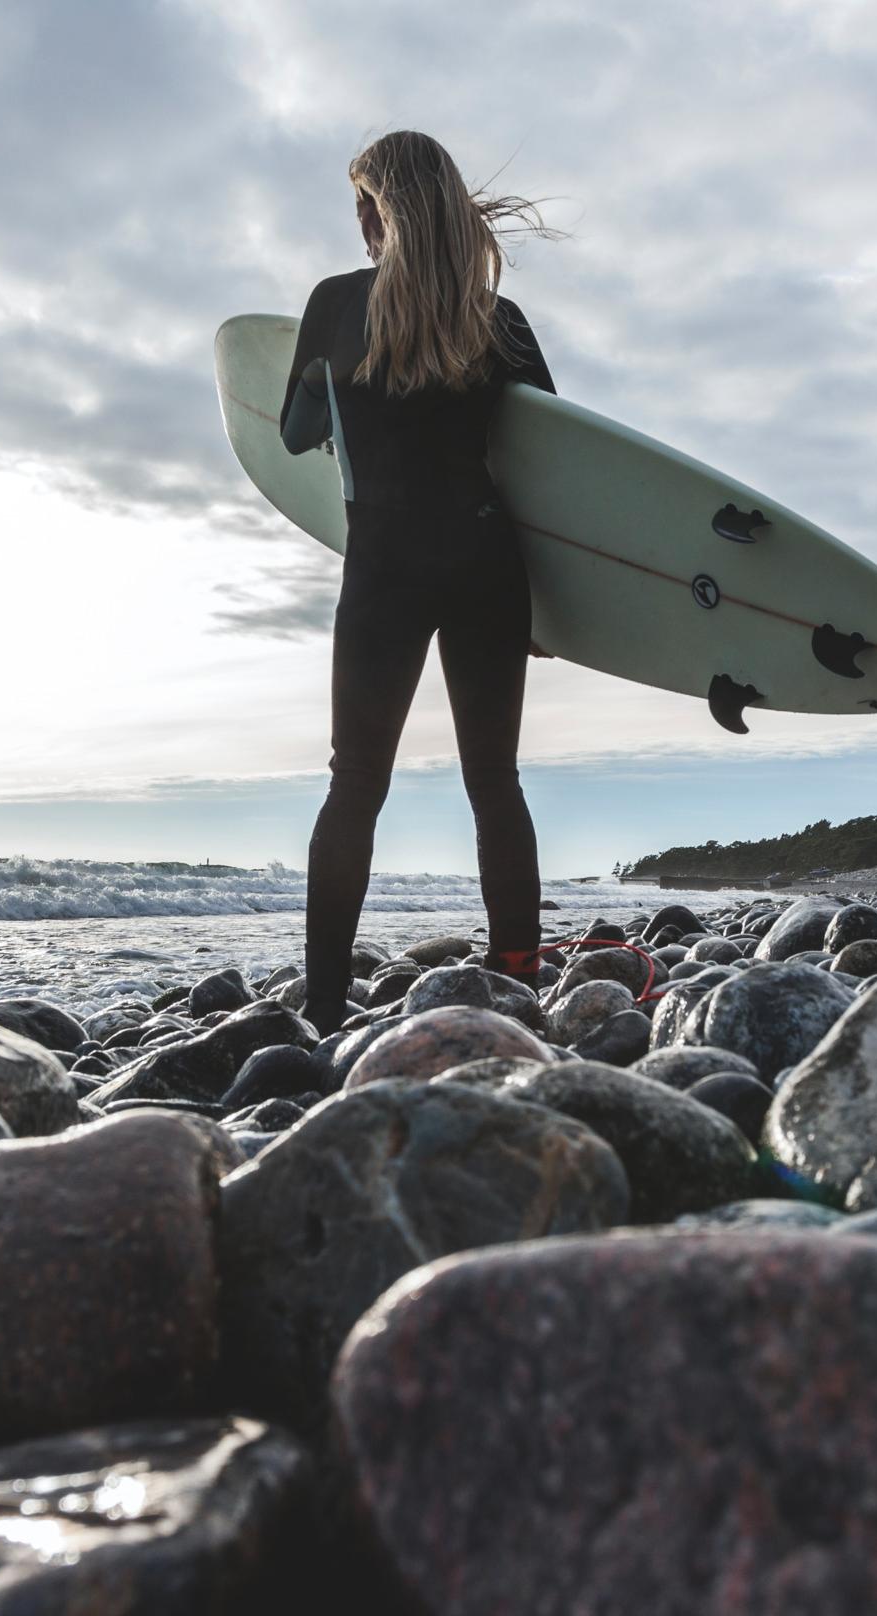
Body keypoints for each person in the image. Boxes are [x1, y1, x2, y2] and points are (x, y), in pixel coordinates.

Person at [278, 130, 558, 1037]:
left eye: (361, 203)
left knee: (354, 781)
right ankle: (518, 979)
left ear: (377, 211)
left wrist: (344, 397)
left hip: (384, 568)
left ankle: (324, 1005)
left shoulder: (331, 306)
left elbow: (289, 433)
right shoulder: (499, 320)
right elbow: (560, 459)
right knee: (495, 781)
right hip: (485, 561)